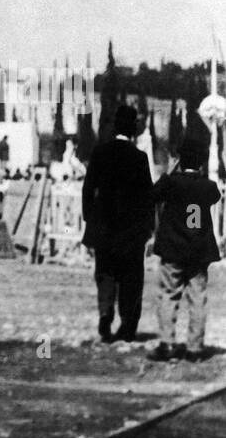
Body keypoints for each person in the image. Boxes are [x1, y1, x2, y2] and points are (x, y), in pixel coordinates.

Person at [81, 103, 154, 343]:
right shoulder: (139, 158)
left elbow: (88, 189)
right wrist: (149, 229)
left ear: (114, 127)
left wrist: (89, 219)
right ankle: (127, 326)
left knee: (105, 273)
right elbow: (147, 197)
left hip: (103, 228)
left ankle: (105, 312)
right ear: (133, 129)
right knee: (131, 278)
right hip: (131, 232)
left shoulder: (100, 153)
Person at [149, 140, 222, 362]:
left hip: (173, 249)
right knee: (198, 298)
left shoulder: (171, 183)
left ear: (180, 160)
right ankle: (195, 348)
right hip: (199, 250)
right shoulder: (208, 186)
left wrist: (171, 171)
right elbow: (215, 197)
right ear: (200, 162)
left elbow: (154, 194)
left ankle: (167, 344)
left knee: (169, 295)